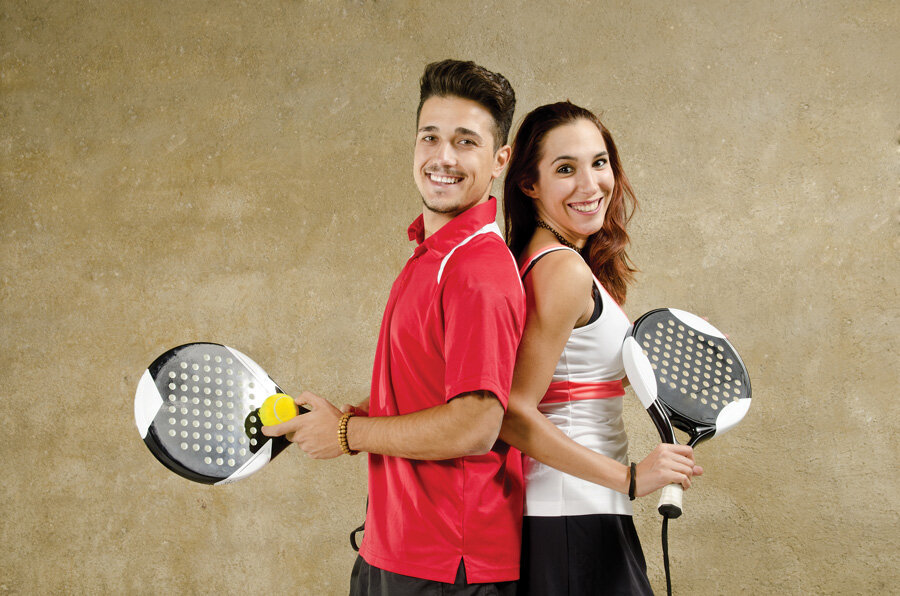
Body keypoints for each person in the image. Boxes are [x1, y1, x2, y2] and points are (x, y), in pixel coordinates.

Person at [263, 60, 526, 595]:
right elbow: (425, 386)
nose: (443, 157)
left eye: (465, 141)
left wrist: (346, 434)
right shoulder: (433, 254)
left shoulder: (477, 270)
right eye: (430, 137)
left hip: (447, 565)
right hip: (397, 548)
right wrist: (345, 416)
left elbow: (475, 424)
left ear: (499, 160)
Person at [499, 101, 703, 595]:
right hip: (572, 516)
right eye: (565, 169)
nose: (590, 185)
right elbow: (513, 412)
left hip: (579, 514)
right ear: (529, 184)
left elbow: (570, 381)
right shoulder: (561, 269)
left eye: (599, 162)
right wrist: (629, 478)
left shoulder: (551, 261)